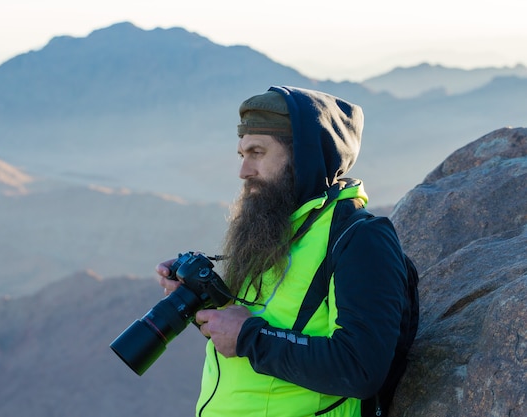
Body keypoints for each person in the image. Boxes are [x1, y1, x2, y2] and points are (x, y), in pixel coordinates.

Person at [157, 86, 409, 417]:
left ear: (302, 156)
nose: (243, 171)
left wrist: (250, 337)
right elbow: (256, 330)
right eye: (241, 155)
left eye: (257, 153)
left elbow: (360, 367)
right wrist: (199, 301)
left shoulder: (359, 239)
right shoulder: (271, 227)